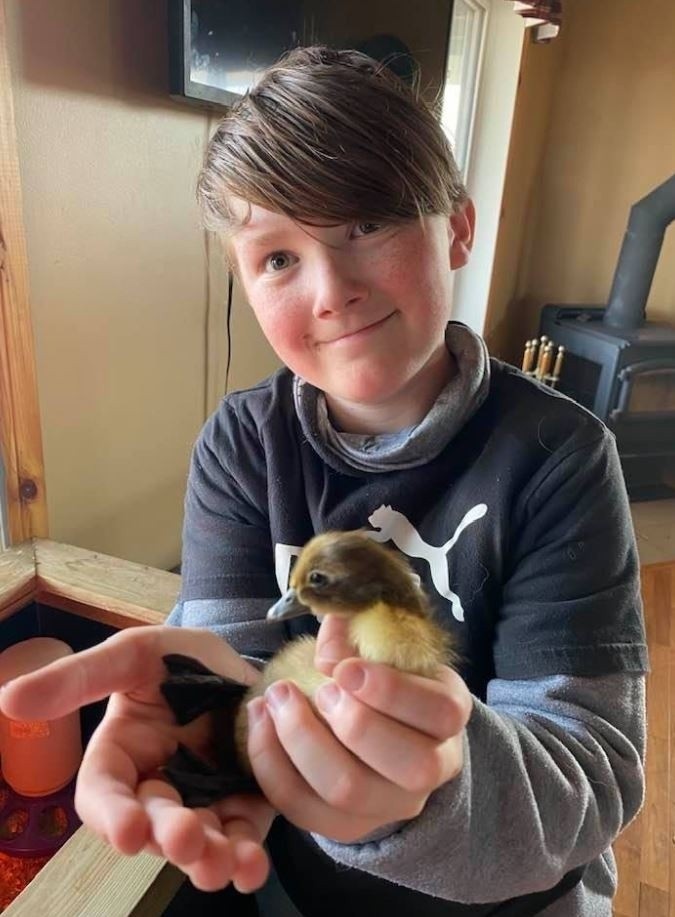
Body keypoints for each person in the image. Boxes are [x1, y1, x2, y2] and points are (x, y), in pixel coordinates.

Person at [0, 46, 648, 916]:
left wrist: (424, 787)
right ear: (242, 280)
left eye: (367, 223)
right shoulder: (240, 444)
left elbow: (587, 775)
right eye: (277, 257)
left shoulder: (559, 454)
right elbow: (237, 665)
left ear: (457, 227)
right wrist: (201, 717)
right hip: (297, 892)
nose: (332, 288)